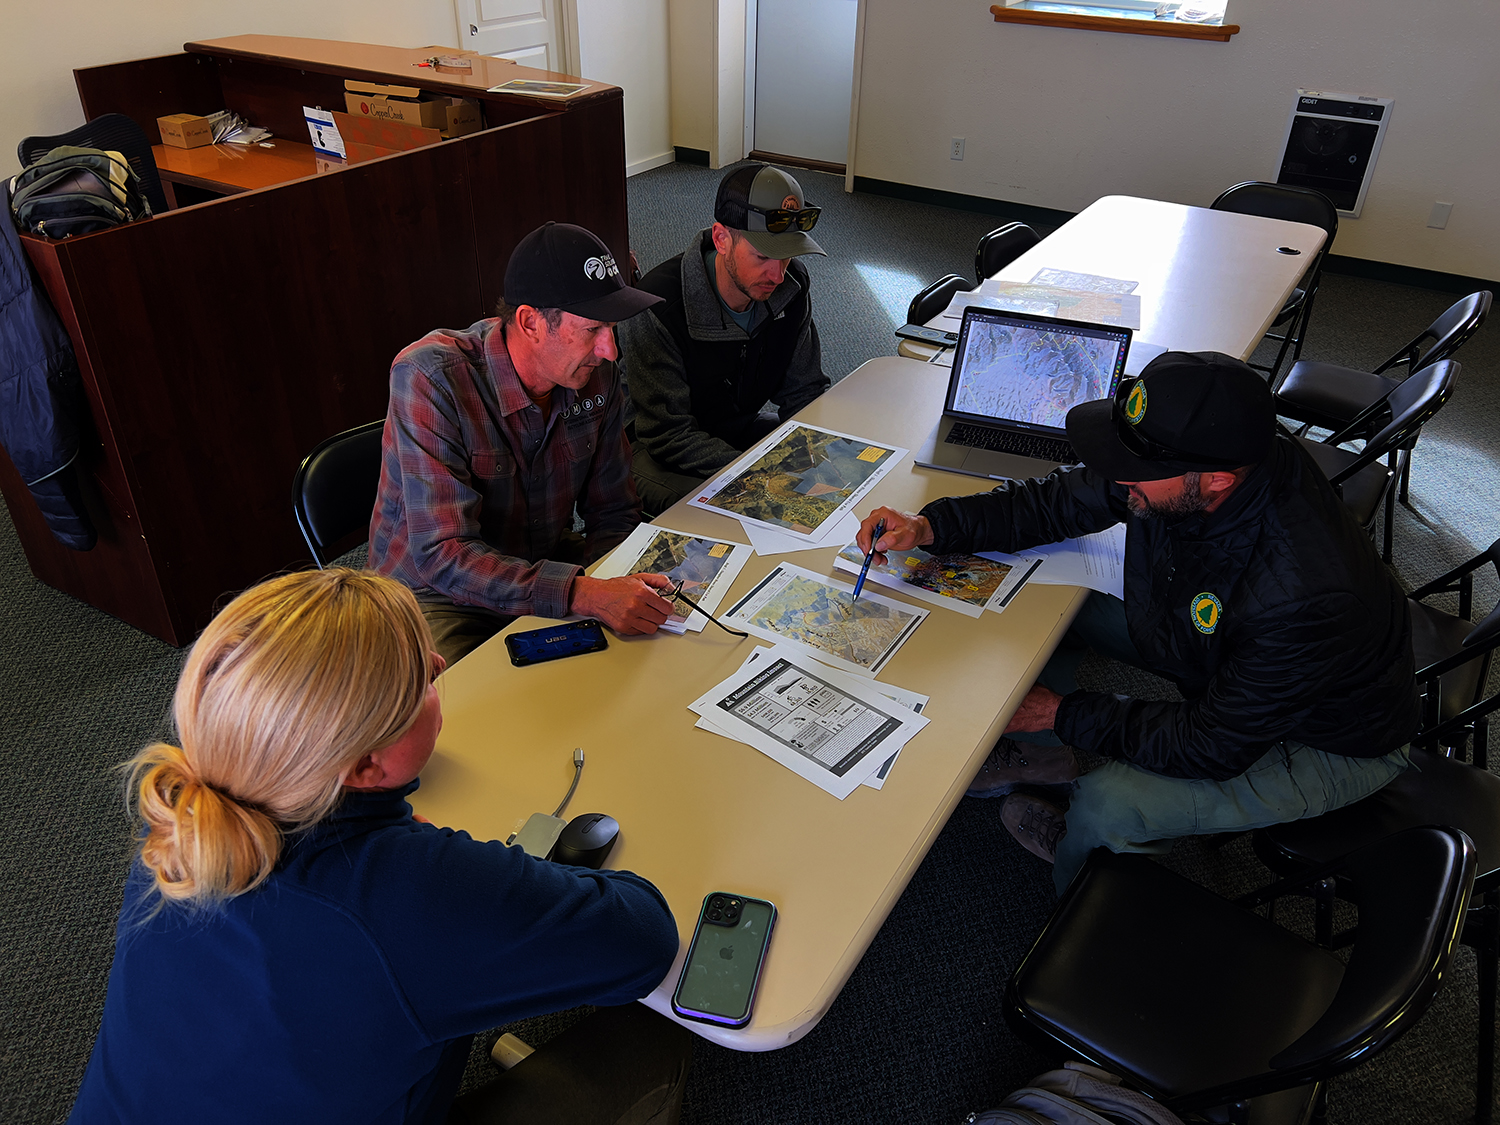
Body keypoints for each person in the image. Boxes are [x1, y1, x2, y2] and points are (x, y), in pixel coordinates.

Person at [69, 569, 689, 1125]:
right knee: (646, 1048)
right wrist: (466, 876)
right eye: (420, 678)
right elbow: (644, 942)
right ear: (366, 766)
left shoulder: (179, 835)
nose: (441, 666)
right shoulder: (409, 889)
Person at [855, 351, 1418, 894]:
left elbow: (1212, 744)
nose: (1117, 479)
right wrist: (930, 526)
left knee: (1107, 806)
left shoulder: (1304, 595)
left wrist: (1063, 711)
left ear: (1217, 480)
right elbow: (1054, 503)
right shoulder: (1204, 458)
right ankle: (1046, 755)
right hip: (1218, 648)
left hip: (1328, 738)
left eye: (1134, 472)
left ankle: (1082, 887)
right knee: (1054, 606)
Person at [369, 221, 677, 664]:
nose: (610, 349)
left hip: (536, 561)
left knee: (642, 654)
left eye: (611, 328)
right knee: (466, 712)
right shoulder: (431, 378)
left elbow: (613, 511)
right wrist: (583, 593)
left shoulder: (595, 375)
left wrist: (613, 581)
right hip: (432, 595)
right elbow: (443, 554)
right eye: (592, 329)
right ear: (531, 322)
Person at [619, 162, 830, 514]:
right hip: (650, 447)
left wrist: (822, 455)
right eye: (762, 256)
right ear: (721, 239)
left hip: (731, 427)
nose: (777, 274)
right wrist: (759, 475)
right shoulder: (659, 307)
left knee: (822, 472)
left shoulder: (790, 287)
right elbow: (666, 433)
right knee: (743, 507)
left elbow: (804, 392)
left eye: (787, 255)